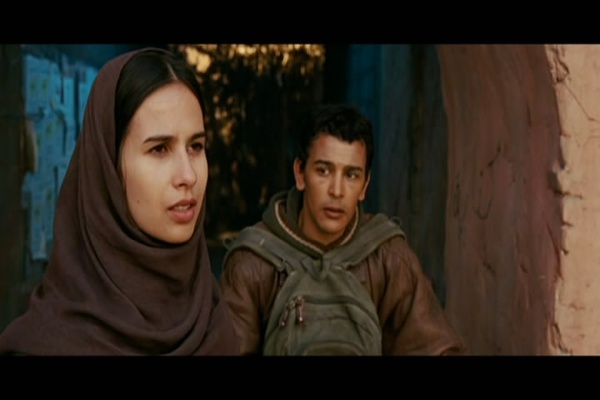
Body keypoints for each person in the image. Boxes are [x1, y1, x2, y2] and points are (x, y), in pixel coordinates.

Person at [0, 47, 240, 355]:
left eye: (196, 146)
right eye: (159, 149)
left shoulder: (212, 319)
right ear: (108, 166)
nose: (188, 175)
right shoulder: (49, 344)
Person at [219, 103, 466, 355]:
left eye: (351, 175)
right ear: (300, 174)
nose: (336, 191)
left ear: (365, 185)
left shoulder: (388, 258)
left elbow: (437, 349)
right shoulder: (253, 262)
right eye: (323, 171)